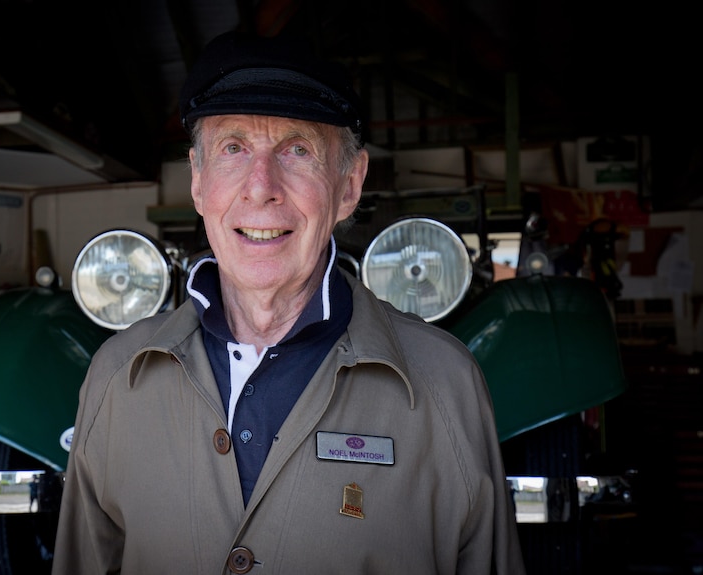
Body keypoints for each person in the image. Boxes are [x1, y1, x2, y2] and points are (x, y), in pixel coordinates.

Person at [53, 31, 525, 574]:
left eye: (297, 150)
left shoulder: (445, 384)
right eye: (234, 148)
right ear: (199, 181)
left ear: (349, 185)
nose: (261, 187)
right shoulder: (116, 379)